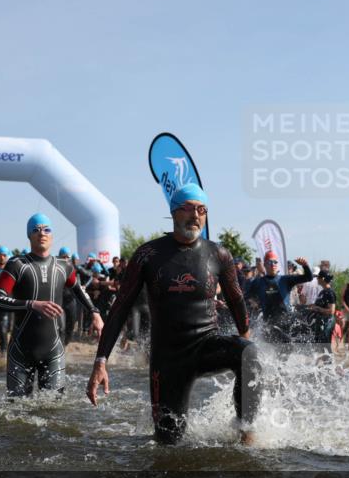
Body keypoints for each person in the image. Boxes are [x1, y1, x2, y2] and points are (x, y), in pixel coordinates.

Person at [85, 184, 260, 445]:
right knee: (168, 443)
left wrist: (244, 339)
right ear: (174, 212)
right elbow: (120, 307)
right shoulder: (149, 255)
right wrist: (101, 360)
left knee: (248, 352)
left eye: (202, 210)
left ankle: (246, 433)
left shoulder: (218, 254)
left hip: (206, 345)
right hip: (168, 360)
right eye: (189, 208)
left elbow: (235, 299)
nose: (196, 215)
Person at [0, 213, 103, 396]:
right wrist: (32, 304)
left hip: (53, 351)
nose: (41, 233)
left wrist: (95, 313)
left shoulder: (64, 265)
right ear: (29, 235)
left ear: (52, 235)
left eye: (46, 229)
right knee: (16, 410)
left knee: (54, 410)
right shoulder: (17, 264)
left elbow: (79, 290)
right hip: (21, 351)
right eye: (36, 230)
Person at [243, 251, 312, 343]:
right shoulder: (258, 282)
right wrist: (252, 303)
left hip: (286, 322)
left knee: (287, 349)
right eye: (270, 262)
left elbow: (308, 277)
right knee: (272, 351)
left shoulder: (285, 279)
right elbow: (244, 297)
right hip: (269, 323)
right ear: (265, 264)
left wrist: (305, 265)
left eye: (275, 262)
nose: (273, 264)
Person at [305, 270, 337, 349]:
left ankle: (329, 361)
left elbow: (331, 311)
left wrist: (318, 309)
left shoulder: (330, 293)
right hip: (320, 321)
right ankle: (321, 360)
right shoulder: (322, 292)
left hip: (327, 322)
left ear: (322, 279)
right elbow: (316, 305)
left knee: (325, 344)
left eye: (318, 277)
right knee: (318, 344)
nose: (316, 279)